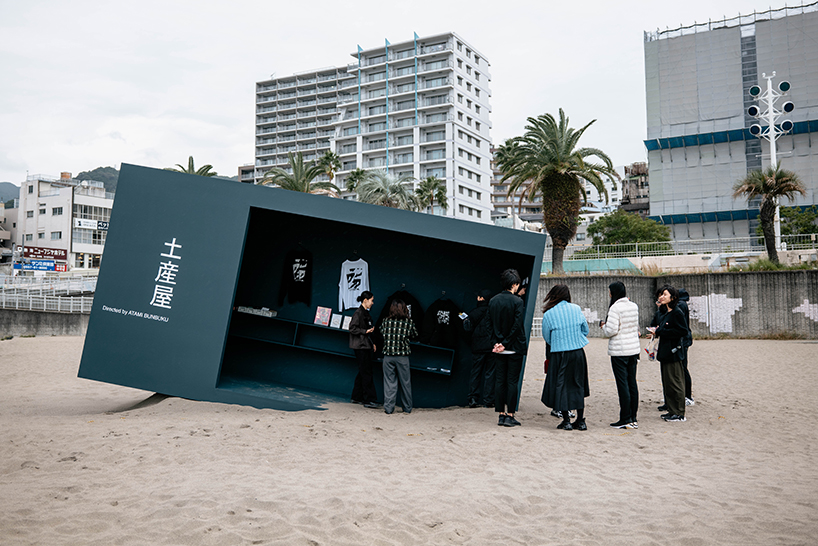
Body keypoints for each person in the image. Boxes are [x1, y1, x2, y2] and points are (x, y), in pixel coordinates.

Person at [540, 284, 590, 431]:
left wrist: (558, 341)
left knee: (561, 385)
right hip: (578, 352)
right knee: (578, 384)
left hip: (559, 353)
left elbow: (547, 337)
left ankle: (566, 420)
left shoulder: (549, 313)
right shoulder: (576, 308)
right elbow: (585, 329)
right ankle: (581, 420)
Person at [487, 269, 527, 427]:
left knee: (499, 381)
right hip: (514, 347)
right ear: (515, 284)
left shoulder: (493, 301)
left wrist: (496, 343)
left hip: (498, 348)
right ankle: (510, 414)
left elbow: (488, 324)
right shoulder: (518, 301)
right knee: (512, 381)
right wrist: (506, 342)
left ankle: (501, 414)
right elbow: (517, 325)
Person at [600, 281, 641, 429]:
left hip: (619, 350)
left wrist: (603, 326)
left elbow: (611, 331)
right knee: (632, 383)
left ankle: (625, 418)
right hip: (633, 349)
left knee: (622, 384)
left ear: (613, 292)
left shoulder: (614, 308)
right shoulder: (633, 306)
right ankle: (633, 417)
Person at [649, 286, 689, 422]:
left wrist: (661, 332)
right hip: (665, 351)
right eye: (661, 295)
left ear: (673, 297)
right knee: (667, 383)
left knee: (676, 382)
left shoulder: (677, 312)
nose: (661, 297)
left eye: (665, 295)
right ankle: (672, 410)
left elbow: (682, 331)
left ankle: (679, 413)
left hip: (674, 351)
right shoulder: (665, 312)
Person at [379, 299, 419, 414]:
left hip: (388, 356)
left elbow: (381, 332)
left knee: (389, 383)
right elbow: (415, 334)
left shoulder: (386, 321)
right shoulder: (408, 322)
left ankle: (389, 408)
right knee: (405, 383)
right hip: (402, 356)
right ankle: (407, 408)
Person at [349, 290, 380, 409]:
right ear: (365, 300)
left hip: (364, 345)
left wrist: (372, 343)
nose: (373, 303)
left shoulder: (365, 313)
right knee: (366, 372)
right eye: (371, 300)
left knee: (363, 371)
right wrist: (365, 331)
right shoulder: (358, 313)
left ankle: (356, 396)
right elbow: (352, 328)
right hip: (361, 346)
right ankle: (369, 399)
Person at [466, 289, 495, 408]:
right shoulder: (493, 312)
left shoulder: (473, 313)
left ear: (481, 298)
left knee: (475, 373)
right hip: (490, 347)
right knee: (490, 374)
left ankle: (473, 398)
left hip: (477, 348)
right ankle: (488, 400)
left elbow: (467, 329)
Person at [677, 288, 695, 406]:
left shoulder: (681, 305)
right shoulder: (683, 304)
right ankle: (684, 395)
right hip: (685, 339)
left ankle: (688, 396)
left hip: (683, 340)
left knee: (683, 368)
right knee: (681, 368)